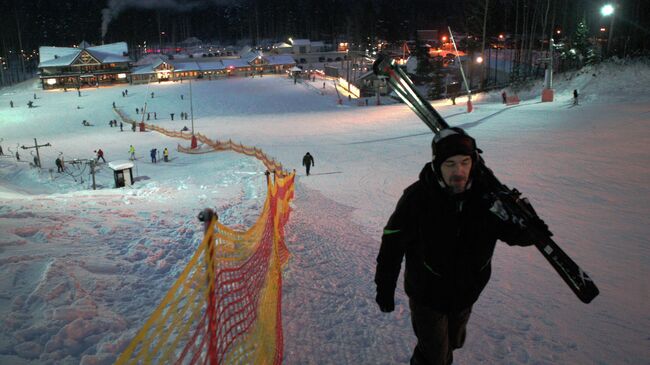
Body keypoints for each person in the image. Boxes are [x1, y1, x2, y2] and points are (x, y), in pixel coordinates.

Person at [374, 127, 537, 365]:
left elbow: (517, 236)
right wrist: (384, 287)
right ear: (436, 165)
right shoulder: (418, 198)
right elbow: (392, 244)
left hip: (467, 293)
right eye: (450, 164)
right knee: (435, 357)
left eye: (464, 162)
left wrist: (526, 222)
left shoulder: (487, 199)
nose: (458, 171)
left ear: (474, 162)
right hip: (427, 295)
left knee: (454, 342)